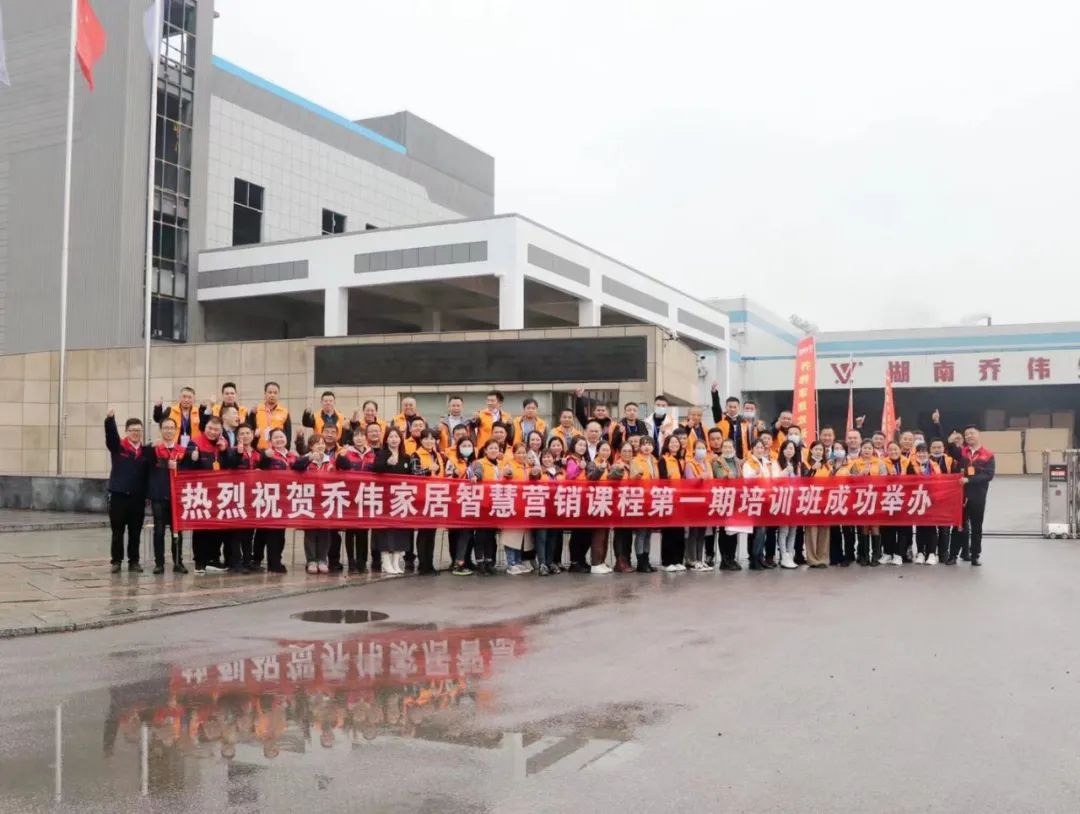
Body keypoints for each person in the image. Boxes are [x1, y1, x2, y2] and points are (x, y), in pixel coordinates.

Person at [181, 416, 231, 574]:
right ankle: (200, 562)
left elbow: (230, 466)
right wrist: (192, 458)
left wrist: (225, 451)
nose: (212, 432)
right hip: (201, 493)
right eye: (210, 428)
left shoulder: (223, 444)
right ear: (205, 428)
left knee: (217, 527)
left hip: (219, 493)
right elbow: (186, 467)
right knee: (201, 528)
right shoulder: (194, 443)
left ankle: (213, 559)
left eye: (216, 430)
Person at [105, 410, 152, 574]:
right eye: (132, 430)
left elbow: (150, 475)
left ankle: (134, 561)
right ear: (126, 431)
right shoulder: (119, 447)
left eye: (138, 430)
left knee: (135, 532)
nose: (136, 433)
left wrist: (148, 495)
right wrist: (110, 421)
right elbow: (111, 437)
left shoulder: (146, 452)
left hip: (137, 498)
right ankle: (116, 561)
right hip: (118, 496)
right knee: (117, 531)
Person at [949, 425, 995, 567]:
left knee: (976, 526)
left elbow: (988, 475)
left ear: (978, 434)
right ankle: (953, 555)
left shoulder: (988, 455)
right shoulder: (962, 452)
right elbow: (951, 451)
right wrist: (950, 442)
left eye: (972, 433)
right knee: (958, 525)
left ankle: (975, 555)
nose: (969, 436)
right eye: (967, 434)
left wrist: (969, 480)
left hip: (978, 495)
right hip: (961, 494)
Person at [148, 417, 187, 575]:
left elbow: (189, 470)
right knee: (159, 531)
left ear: (176, 430)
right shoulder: (154, 450)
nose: (169, 431)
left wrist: (179, 466)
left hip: (177, 497)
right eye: (166, 428)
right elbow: (148, 467)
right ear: (161, 430)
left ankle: (178, 562)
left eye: (172, 428)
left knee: (177, 531)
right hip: (159, 495)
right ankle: (159, 563)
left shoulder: (182, 451)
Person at [371, 427, 412, 574]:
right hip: (385, 499)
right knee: (385, 530)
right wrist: (387, 463)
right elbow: (375, 469)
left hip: (401, 498)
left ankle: (396, 562)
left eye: (396, 437)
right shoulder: (381, 454)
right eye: (391, 437)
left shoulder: (406, 457)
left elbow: (411, 477)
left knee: (400, 530)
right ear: (386, 439)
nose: (394, 439)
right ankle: (386, 561)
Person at [255, 427, 296, 574]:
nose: (279, 439)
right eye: (276, 438)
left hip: (285, 499)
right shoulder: (267, 453)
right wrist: (266, 456)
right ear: (270, 441)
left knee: (280, 533)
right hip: (270, 498)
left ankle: (276, 560)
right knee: (269, 532)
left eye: (281, 436)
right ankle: (270, 562)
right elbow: (261, 466)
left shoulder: (292, 455)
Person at [293, 434, 336, 574]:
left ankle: (322, 559)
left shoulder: (330, 460)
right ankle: (311, 560)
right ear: (311, 446)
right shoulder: (305, 459)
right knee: (310, 532)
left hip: (326, 500)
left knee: (325, 531)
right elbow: (296, 467)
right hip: (309, 500)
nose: (321, 445)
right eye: (317, 443)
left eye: (322, 443)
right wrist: (309, 458)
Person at [222, 424, 259, 573]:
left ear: (252, 435)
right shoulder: (231, 451)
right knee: (236, 531)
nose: (245, 436)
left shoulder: (257, 453)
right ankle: (235, 561)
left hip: (252, 496)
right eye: (241, 434)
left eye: (247, 433)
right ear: (237, 437)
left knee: (249, 531)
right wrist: (238, 453)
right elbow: (230, 465)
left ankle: (247, 560)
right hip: (236, 495)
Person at [469, 438, 507, 575]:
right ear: (485, 450)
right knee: (481, 534)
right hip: (482, 504)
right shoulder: (480, 463)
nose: (493, 450)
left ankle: (490, 561)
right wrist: (476, 476)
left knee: (491, 535)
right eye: (491, 448)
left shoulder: (501, 465)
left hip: (496, 504)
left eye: (496, 448)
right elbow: (478, 473)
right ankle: (480, 562)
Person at [409, 428, 444, 575]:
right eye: (426, 439)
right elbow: (414, 473)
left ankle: (430, 563)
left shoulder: (438, 455)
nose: (429, 441)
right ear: (421, 440)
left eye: (432, 439)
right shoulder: (415, 455)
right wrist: (429, 469)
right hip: (422, 498)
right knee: (423, 532)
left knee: (432, 532)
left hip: (436, 496)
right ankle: (423, 564)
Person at [334, 434, 370, 574]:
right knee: (350, 531)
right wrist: (342, 457)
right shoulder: (346, 452)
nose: (359, 439)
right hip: (349, 496)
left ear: (365, 439)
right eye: (356, 436)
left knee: (363, 532)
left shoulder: (371, 454)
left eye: (362, 436)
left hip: (366, 496)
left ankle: (362, 562)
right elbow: (340, 466)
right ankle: (351, 562)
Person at [848, 440, 886, 566]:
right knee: (864, 526)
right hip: (861, 499)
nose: (867, 450)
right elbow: (851, 481)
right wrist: (861, 474)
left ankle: (876, 556)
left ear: (873, 450)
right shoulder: (856, 463)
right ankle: (864, 556)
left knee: (875, 526)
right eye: (865, 448)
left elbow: (885, 480)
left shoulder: (879, 463)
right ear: (861, 449)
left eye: (869, 448)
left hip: (876, 498)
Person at [743, 438, 779, 570]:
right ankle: (755, 558)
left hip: (767, 499)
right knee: (759, 529)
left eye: (761, 448)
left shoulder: (767, 463)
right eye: (757, 447)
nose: (759, 450)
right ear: (752, 449)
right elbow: (746, 480)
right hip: (755, 499)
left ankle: (759, 556)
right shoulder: (748, 463)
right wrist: (755, 474)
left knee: (763, 530)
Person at [501, 444, 535, 574]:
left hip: (525, 506)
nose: (522, 455)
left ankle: (518, 561)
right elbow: (503, 480)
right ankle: (511, 563)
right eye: (519, 453)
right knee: (511, 535)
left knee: (521, 536)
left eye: (524, 452)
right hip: (512, 505)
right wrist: (506, 475)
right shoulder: (509, 465)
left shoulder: (528, 467)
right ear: (514, 453)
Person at [710, 437, 744, 571]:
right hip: (723, 499)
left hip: (736, 499)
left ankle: (731, 557)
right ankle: (724, 560)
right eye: (725, 447)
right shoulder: (717, 462)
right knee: (724, 531)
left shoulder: (737, 462)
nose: (727, 449)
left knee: (734, 530)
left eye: (730, 447)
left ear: (734, 449)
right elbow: (719, 476)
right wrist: (726, 476)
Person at [447, 436, 479, 576]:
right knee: (458, 533)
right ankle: (457, 562)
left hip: (471, 501)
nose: (466, 448)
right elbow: (446, 479)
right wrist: (454, 476)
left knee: (468, 533)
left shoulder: (475, 463)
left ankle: (466, 560)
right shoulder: (453, 461)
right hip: (456, 501)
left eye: (469, 445)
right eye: (463, 445)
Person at [906, 444, 943, 564]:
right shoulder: (911, 465)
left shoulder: (934, 465)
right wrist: (919, 476)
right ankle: (920, 552)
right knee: (920, 527)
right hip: (918, 498)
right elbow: (908, 482)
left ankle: (932, 553)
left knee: (931, 527)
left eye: (924, 452)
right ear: (916, 453)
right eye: (919, 452)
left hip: (932, 499)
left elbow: (939, 482)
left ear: (928, 453)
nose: (922, 454)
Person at [629, 435, 659, 572]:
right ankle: (640, 562)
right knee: (641, 532)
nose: (647, 447)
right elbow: (632, 480)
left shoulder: (654, 461)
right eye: (644, 444)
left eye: (650, 444)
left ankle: (647, 560)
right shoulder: (635, 461)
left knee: (648, 533)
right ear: (640, 447)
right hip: (641, 499)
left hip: (653, 499)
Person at [658, 434, 686, 572]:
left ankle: (678, 560)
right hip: (668, 499)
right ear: (667, 445)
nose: (675, 444)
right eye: (672, 442)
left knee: (679, 531)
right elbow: (663, 480)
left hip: (679, 499)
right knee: (669, 531)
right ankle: (667, 561)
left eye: (677, 442)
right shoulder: (663, 459)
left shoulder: (679, 460)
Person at [682, 440, 712, 570]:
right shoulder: (690, 464)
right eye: (698, 448)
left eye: (703, 448)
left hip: (706, 500)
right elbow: (690, 482)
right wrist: (700, 477)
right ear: (694, 450)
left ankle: (700, 559)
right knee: (693, 531)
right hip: (693, 500)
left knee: (702, 531)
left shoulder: (707, 463)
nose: (701, 450)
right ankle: (691, 559)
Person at [585, 441, 614, 574]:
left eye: (608, 450)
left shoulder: (608, 464)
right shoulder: (593, 464)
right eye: (603, 450)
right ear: (597, 451)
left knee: (605, 533)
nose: (606, 452)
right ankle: (595, 562)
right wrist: (600, 469)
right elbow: (591, 479)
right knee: (598, 533)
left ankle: (602, 561)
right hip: (596, 501)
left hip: (606, 501)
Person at [533, 449, 563, 575]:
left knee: (553, 537)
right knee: (542, 537)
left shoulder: (561, 472)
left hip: (556, 508)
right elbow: (533, 479)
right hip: (542, 508)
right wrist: (534, 473)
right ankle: (542, 563)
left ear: (554, 458)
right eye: (544, 457)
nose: (547, 459)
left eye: (549, 456)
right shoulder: (538, 471)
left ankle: (550, 562)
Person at [607, 442, 636, 572]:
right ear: (619, 452)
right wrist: (619, 470)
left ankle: (627, 560)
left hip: (631, 503)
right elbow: (611, 480)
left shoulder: (634, 466)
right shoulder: (616, 466)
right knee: (620, 533)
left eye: (630, 451)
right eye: (624, 451)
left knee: (628, 534)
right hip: (619, 504)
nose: (627, 453)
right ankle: (620, 561)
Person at [564, 435, 592, 572]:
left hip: (586, 499)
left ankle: (581, 558)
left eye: (584, 445)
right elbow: (570, 477)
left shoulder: (584, 460)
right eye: (579, 445)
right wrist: (579, 468)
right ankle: (574, 561)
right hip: (576, 500)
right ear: (573, 446)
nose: (582, 447)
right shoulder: (571, 460)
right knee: (578, 533)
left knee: (586, 532)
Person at [802, 440, 831, 568]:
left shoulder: (827, 465)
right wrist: (812, 470)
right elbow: (803, 482)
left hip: (825, 501)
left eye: (821, 450)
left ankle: (823, 558)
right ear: (811, 450)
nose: (819, 452)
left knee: (824, 530)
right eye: (816, 449)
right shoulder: (805, 463)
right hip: (811, 501)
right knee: (812, 530)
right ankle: (813, 559)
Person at [829, 443, 856, 566]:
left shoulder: (851, 464)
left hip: (847, 500)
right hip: (832, 500)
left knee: (847, 530)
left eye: (841, 448)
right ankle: (836, 555)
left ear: (845, 450)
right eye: (836, 448)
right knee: (834, 529)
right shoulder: (829, 464)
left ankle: (849, 555)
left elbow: (857, 482)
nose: (838, 450)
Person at [774, 440, 801, 568]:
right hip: (783, 500)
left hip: (795, 501)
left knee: (793, 530)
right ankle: (783, 555)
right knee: (784, 530)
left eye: (792, 448)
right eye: (787, 448)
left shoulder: (797, 465)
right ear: (782, 450)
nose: (790, 451)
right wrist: (785, 471)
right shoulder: (776, 463)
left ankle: (790, 554)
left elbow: (799, 482)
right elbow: (774, 480)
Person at [248, 382, 291, 451]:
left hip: (277, 450)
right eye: (270, 392)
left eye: (275, 393)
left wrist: (286, 450)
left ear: (278, 395)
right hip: (259, 450)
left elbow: (288, 434)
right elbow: (249, 429)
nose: (272, 395)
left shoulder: (284, 412)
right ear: (265, 394)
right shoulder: (256, 410)